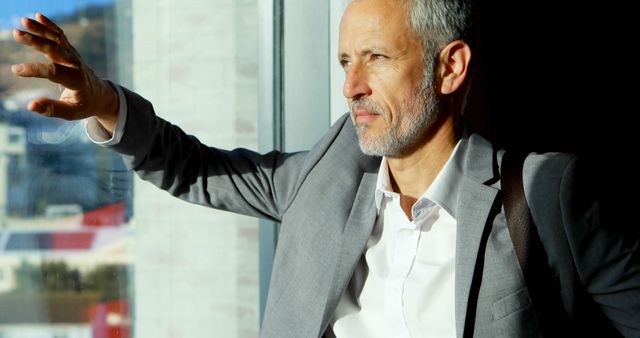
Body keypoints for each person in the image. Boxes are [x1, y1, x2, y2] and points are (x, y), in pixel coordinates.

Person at [10, 0, 639, 337]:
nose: (351, 86)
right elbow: (193, 167)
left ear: (450, 68)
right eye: (344, 61)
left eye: (375, 58)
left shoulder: (547, 193)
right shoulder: (331, 172)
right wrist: (103, 101)